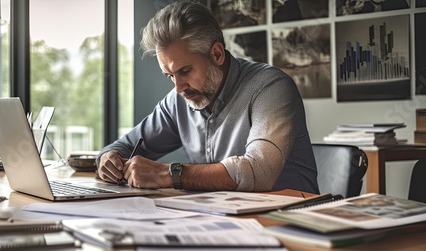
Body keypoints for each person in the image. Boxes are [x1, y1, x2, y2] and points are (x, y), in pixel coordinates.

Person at [96, 1, 318, 194]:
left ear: (217, 54)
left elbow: (259, 172)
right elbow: (122, 146)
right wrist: (109, 159)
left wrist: (168, 174)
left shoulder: (271, 87)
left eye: (184, 71)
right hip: (221, 221)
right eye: (169, 75)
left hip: (290, 223)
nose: (178, 88)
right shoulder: (178, 101)